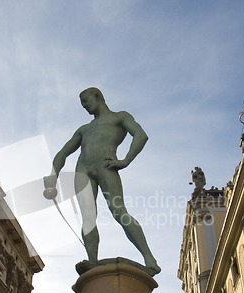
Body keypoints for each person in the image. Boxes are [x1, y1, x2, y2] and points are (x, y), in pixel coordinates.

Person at [44, 87, 160, 275]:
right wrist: (52, 176)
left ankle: (149, 258)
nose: (84, 106)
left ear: (97, 96)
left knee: (119, 211)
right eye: (82, 104)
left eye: (86, 100)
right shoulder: (84, 129)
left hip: (106, 167)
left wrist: (125, 160)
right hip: (83, 171)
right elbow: (62, 153)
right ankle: (92, 261)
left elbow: (140, 135)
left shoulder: (119, 117)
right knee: (88, 217)